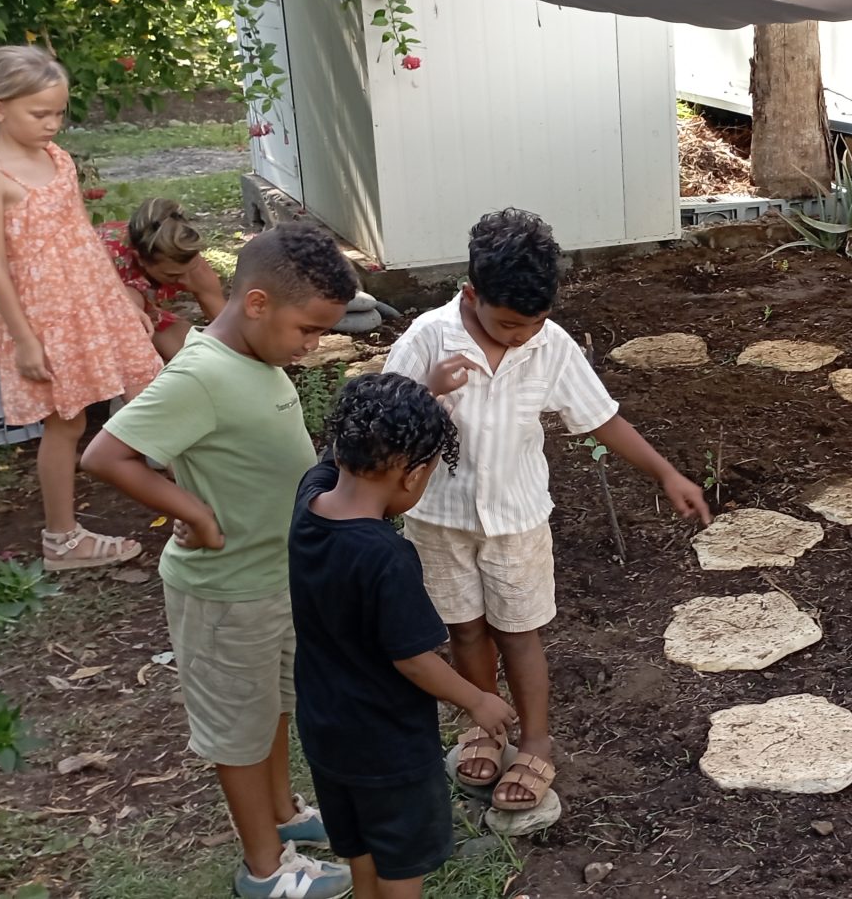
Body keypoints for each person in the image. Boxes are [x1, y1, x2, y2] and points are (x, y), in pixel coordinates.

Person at [384, 208, 711, 813]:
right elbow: (385, 415)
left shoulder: (549, 346)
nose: (520, 337)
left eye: (533, 324)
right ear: (471, 293)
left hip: (518, 518)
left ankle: (535, 739)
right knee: (464, 627)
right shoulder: (429, 338)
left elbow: (600, 416)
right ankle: (482, 722)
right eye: (508, 323)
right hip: (438, 517)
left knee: (520, 630)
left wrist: (665, 472)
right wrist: (427, 389)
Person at [81, 221, 360, 899]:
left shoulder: (256, 357)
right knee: (238, 729)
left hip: (274, 579)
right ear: (259, 304)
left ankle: (284, 814)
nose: (312, 345)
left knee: (272, 708)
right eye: (308, 331)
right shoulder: (201, 375)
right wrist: (194, 512)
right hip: (226, 592)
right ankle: (265, 870)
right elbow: (106, 456)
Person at [290, 373, 516, 898]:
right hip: (387, 747)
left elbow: (336, 453)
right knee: (400, 868)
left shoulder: (310, 500)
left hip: (325, 731)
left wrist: (417, 394)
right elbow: (414, 658)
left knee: (362, 848)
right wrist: (478, 700)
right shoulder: (386, 558)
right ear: (413, 476)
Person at [0, 45, 162, 571]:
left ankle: (185, 494)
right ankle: (62, 539)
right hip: (45, 320)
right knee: (66, 422)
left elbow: (81, 233)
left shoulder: (58, 160)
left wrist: (120, 296)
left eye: (58, 112)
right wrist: (25, 339)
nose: (53, 124)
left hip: (91, 301)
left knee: (149, 381)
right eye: (40, 114)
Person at [100, 197, 227, 360]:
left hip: (148, 312)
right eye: (173, 275)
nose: (186, 280)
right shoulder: (104, 257)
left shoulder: (194, 268)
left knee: (198, 355)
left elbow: (227, 326)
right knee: (131, 302)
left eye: (191, 269)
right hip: (97, 314)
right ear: (140, 260)